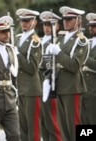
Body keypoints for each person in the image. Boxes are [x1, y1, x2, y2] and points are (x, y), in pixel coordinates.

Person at [46, 6, 89, 141]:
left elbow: (74, 66)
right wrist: (47, 79)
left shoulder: (81, 41)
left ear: (78, 20)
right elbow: (53, 64)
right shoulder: (60, 38)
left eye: (69, 19)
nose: (66, 21)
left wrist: (58, 53)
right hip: (60, 87)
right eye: (64, 19)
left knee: (74, 126)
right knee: (63, 126)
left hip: (72, 87)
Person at [15, 8, 42, 141]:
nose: (24, 24)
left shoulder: (35, 41)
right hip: (20, 88)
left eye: (27, 21)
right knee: (23, 127)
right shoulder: (18, 39)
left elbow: (32, 67)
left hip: (31, 89)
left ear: (34, 22)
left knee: (34, 128)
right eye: (22, 21)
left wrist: (18, 55)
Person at [39, 11, 62, 141]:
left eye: (50, 24)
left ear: (57, 26)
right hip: (38, 85)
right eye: (45, 24)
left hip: (51, 85)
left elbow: (54, 65)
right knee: (43, 122)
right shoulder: (38, 42)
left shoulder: (58, 43)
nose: (47, 27)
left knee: (52, 122)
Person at [81, 13, 96, 125]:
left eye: (94, 26)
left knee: (92, 118)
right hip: (84, 87)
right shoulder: (88, 42)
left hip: (94, 87)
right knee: (84, 119)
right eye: (90, 25)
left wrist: (84, 57)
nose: (91, 28)